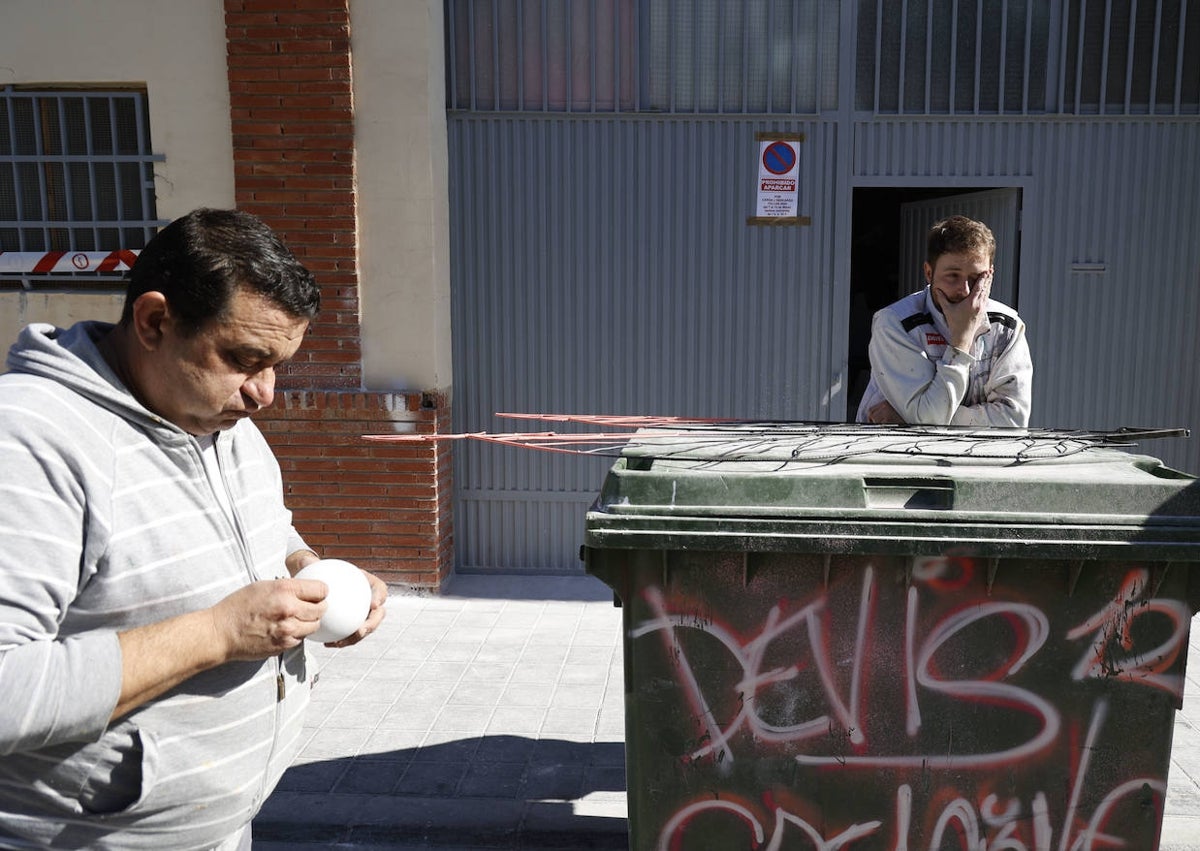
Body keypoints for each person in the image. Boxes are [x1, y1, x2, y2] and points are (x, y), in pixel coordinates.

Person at [0, 208, 388, 850]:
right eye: (244, 358)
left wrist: (309, 570)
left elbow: (269, 526)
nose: (264, 392)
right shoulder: (29, 442)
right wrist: (217, 633)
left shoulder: (218, 419)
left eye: (278, 365)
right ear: (155, 321)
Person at [855, 215, 1033, 427]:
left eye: (976, 278)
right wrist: (962, 341)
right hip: (894, 456)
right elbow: (929, 418)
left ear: (990, 275)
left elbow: (1013, 421)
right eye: (953, 276)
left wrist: (910, 420)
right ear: (929, 272)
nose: (965, 290)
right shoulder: (896, 323)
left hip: (979, 458)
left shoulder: (1007, 328)